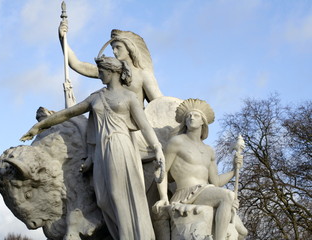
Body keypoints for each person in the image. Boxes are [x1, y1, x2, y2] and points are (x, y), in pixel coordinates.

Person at [20, 56, 165, 240]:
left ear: (112, 72)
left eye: (102, 71)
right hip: (101, 150)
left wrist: (157, 148)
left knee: (118, 194)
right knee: (104, 200)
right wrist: (41, 125)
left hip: (120, 146)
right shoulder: (97, 96)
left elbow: (144, 125)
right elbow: (69, 113)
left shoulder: (129, 97)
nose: (100, 75)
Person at [153, 98, 247, 240]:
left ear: (203, 121)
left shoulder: (209, 150)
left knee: (242, 231)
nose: (191, 117)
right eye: (188, 115)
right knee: (227, 196)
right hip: (185, 193)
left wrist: (234, 170)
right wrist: (164, 198)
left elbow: (215, 182)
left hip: (205, 191)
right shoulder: (176, 142)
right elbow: (162, 171)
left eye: (196, 115)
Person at [59, 20, 163, 105]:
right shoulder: (110, 70)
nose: (114, 52)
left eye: (118, 47)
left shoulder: (143, 74)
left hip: (135, 126)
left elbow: (159, 102)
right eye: (113, 48)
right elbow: (77, 65)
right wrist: (62, 39)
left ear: (129, 48)